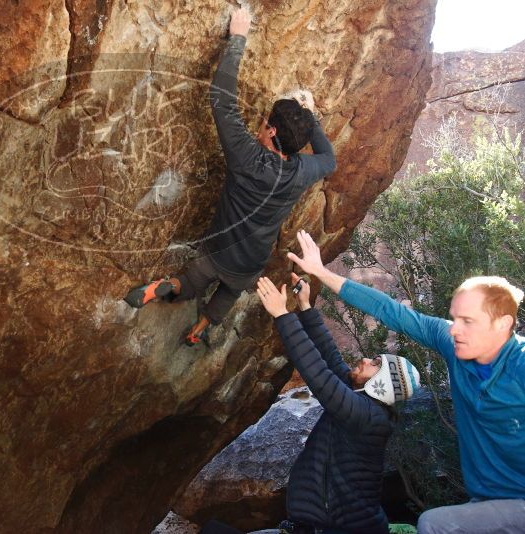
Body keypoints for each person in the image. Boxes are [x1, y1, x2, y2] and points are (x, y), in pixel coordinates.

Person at [286, 229, 525, 534]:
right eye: (455, 318)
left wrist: (284, 315)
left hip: (519, 502)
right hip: (485, 501)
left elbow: (322, 376)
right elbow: (390, 311)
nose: (453, 329)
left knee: (433, 524)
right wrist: (320, 272)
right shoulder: (455, 347)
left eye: (468, 321)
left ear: (502, 325)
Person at [123, 6, 336, 346]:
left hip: (220, 249)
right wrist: (311, 118)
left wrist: (238, 38)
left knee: (193, 279)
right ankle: (200, 328)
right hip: (251, 260)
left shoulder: (246, 155)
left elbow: (221, 100)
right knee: (227, 295)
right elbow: (329, 158)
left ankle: (170, 288)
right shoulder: (304, 171)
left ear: (269, 130)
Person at [255, 273, 421, 534]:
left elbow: (319, 376)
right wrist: (305, 307)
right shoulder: (365, 407)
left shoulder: (366, 417)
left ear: (384, 384)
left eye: (376, 364)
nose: (366, 360)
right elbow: (331, 359)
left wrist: (282, 315)